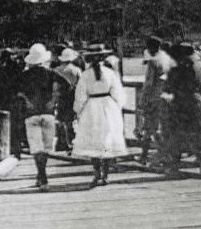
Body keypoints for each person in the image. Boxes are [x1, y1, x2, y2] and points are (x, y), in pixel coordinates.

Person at [161, 42, 201, 175]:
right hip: (197, 101)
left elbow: (170, 85)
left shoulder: (180, 66)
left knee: (176, 133)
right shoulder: (200, 65)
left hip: (181, 103)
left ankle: (174, 166)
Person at [73, 44, 128, 186]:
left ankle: (97, 174)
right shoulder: (110, 73)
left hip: (92, 107)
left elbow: (80, 96)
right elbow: (118, 93)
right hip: (108, 106)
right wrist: (117, 107)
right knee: (106, 140)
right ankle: (106, 175)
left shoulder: (85, 75)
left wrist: (78, 111)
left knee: (94, 141)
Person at [16, 43, 64, 189]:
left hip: (31, 114)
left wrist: (27, 102)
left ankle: (41, 176)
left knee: (36, 147)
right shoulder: (51, 74)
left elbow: (17, 92)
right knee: (46, 147)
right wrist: (53, 101)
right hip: (48, 113)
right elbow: (64, 87)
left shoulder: (23, 76)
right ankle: (41, 175)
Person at [136, 36, 174, 165]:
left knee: (150, 127)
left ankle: (160, 154)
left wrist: (142, 100)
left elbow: (149, 84)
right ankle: (145, 155)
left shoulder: (153, 62)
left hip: (154, 98)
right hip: (166, 96)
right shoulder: (167, 59)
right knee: (159, 127)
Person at [0, 48, 25, 159]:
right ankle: (18, 149)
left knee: (9, 126)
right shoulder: (19, 69)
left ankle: (12, 151)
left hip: (6, 101)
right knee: (18, 125)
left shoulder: (3, 70)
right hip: (17, 100)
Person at [53, 47, 82, 153]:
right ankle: (72, 141)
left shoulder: (56, 70)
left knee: (60, 119)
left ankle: (62, 141)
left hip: (61, 97)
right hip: (72, 97)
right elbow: (80, 85)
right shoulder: (76, 70)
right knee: (71, 119)